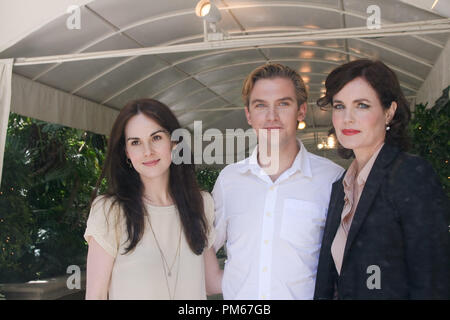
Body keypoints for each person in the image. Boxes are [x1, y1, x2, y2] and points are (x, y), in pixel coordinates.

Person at [314, 59, 450, 300]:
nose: (347, 118)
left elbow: (433, 280)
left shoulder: (411, 175)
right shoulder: (340, 187)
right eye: (339, 106)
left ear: (389, 112)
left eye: (362, 105)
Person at [212, 63, 345, 300]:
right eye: (261, 105)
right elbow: (203, 247)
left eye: (283, 104)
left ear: (301, 111)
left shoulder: (332, 179)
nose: (271, 116)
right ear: (249, 115)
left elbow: (346, 265)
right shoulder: (228, 180)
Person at [84, 98, 222, 300]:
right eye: (136, 142)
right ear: (127, 153)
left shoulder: (200, 203)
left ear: (173, 142)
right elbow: (95, 296)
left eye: (156, 138)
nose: (147, 151)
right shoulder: (110, 210)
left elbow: (212, 283)